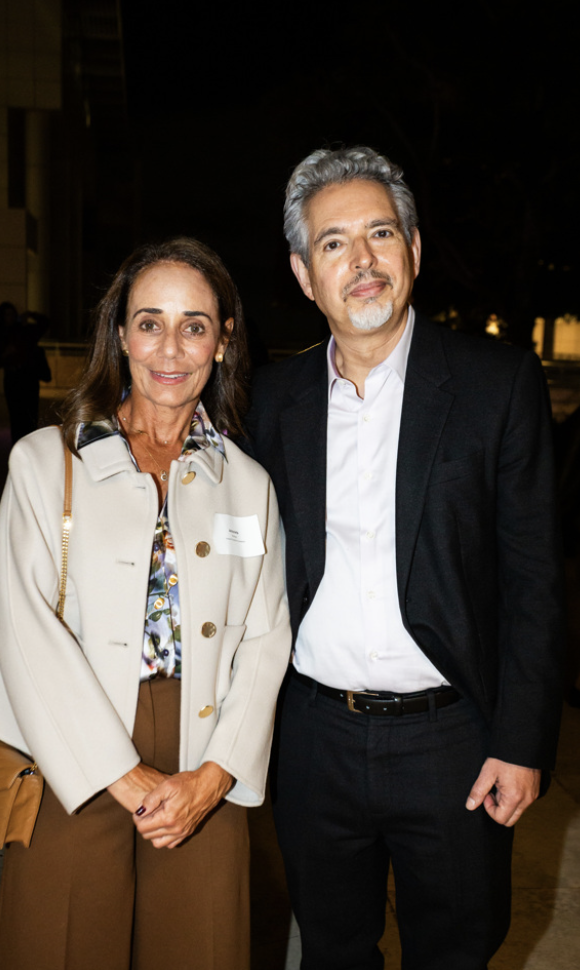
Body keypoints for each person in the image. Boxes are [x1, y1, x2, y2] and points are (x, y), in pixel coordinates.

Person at [247, 147, 564, 969]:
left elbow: (535, 580)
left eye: (380, 234)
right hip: (313, 736)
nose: (362, 262)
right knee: (331, 949)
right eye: (333, 243)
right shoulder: (271, 402)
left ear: (414, 250)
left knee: (456, 950)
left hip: (452, 740)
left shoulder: (496, 385)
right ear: (302, 272)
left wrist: (522, 741)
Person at [0, 238, 291, 970]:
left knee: (202, 947)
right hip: (71, 744)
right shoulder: (45, 462)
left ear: (224, 339)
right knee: (63, 942)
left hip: (204, 746)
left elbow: (268, 638)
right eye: (150, 322)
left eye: (195, 324)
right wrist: (120, 771)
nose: (170, 348)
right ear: (120, 333)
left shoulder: (247, 483)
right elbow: (22, 625)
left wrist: (213, 780)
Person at [0, 302, 52, 443]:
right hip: (13, 379)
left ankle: (29, 449)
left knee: (30, 418)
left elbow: (45, 323)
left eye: (13, 314)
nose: (10, 317)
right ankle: (18, 447)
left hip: (29, 378)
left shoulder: (25, 330)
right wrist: (6, 353)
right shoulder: (0, 336)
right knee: (16, 418)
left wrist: (30, 315)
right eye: (7, 315)